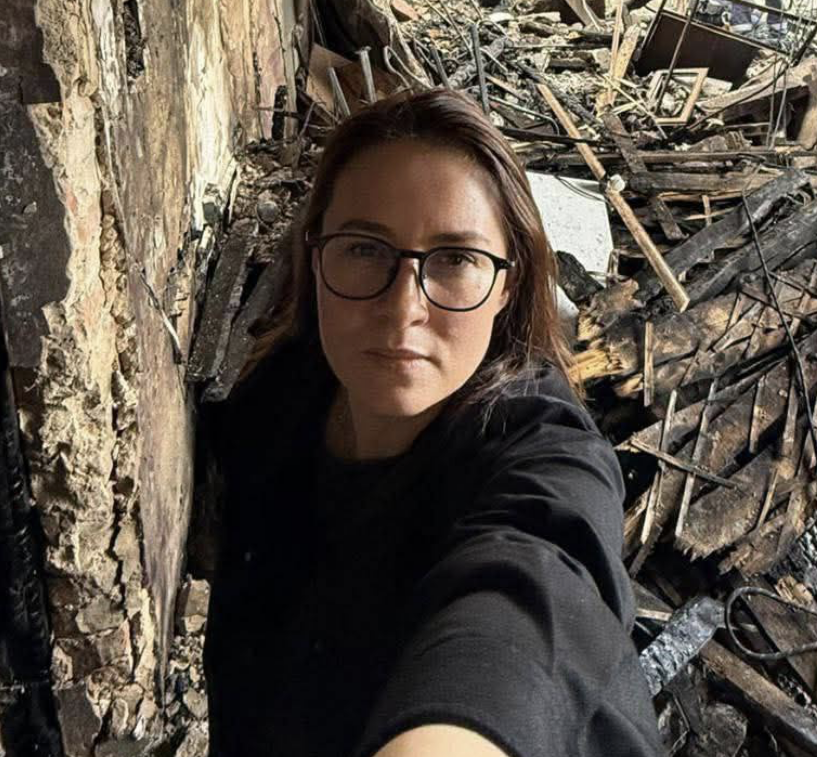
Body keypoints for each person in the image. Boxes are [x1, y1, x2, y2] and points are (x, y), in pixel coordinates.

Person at [204, 89, 663, 757]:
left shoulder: (546, 457)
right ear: (315, 256)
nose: (403, 308)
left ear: (508, 283)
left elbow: (528, 597)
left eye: (454, 259)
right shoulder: (281, 393)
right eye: (365, 249)